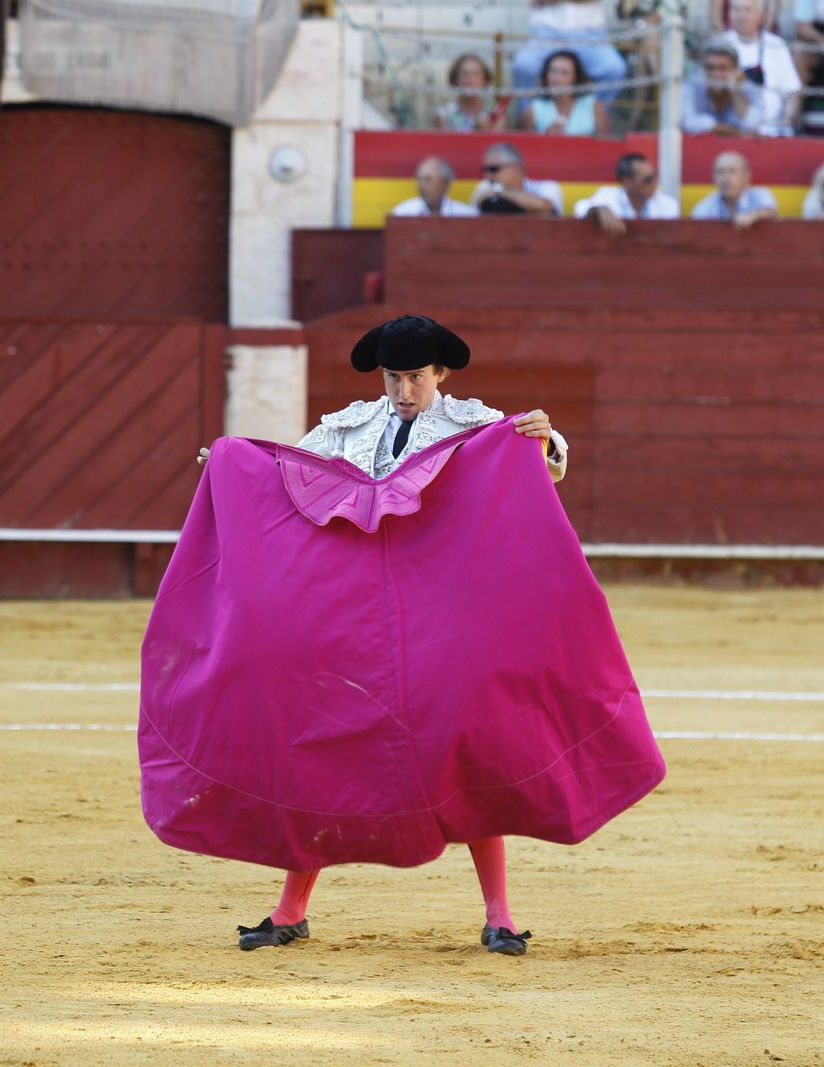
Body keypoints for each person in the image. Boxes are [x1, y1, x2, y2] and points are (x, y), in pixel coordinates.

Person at [161, 315, 666, 954]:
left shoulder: (475, 426)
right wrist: (230, 469)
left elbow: (537, 471)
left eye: (416, 377)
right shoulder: (347, 428)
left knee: (468, 751)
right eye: (395, 377)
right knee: (323, 755)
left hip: (444, 627)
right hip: (351, 625)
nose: (404, 390)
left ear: (442, 375)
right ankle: (289, 911)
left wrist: (548, 440)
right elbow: (290, 479)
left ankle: (501, 915)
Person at [511, 0, 630, 103]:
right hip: (546, 32)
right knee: (523, 66)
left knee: (614, 69)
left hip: (590, 34)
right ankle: (530, 120)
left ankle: (593, 119)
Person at [723, 0, 804, 131]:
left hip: (773, 129)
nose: (741, 15)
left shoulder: (776, 45)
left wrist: (788, 118)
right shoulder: (721, 44)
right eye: (736, 9)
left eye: (747, 10)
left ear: (761, 14)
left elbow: (792, 91)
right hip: (732, 129)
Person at [573, 152, 681, 235]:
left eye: (655, 176)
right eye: (648, 179)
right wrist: (596, 210)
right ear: (627, 182)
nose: (654, 183)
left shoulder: (667, 204)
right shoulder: (607, 196)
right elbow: (580, 209)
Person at [682, 42, 771, 136]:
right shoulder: (691, 86)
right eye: (710, 68)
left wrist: (735, 89)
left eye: (723, 68)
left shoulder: (748, 88)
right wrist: (738, 133)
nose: (716, 74)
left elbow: (751, 124)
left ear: (736, 70)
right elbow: (690, 124)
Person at [522, 49, 613, 136]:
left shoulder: (593, 106)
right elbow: (527, 147)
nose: (556, 78)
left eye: (564, 73)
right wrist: (547, 137)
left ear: (575, 78)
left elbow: (607, 143)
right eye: (553, 71)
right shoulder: (533, 110)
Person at [469, 142, 564, 216]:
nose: (488, 175)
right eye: (485, 170)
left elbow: (545, 206)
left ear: (516, 168)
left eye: (494, 169)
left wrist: (500, 191)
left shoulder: (548, 187)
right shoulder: (483, 186)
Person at [691, 150, 781, 227]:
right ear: (714, 178)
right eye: (720, 172)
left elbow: (772, 211)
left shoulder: (760, 194)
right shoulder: (705, 206)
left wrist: (753, 216)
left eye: (732, 171)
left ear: (746, 176)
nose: (725, 178)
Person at [435, 53, 508, 132]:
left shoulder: (496, 113)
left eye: (476, 74)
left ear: (485, 80)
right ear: (455, 80)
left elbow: (498, 142)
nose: (470, 79)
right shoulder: (444, 114)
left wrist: (487, 131)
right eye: (464, 74)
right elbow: (446, 142)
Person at [389, 157, 482, 219]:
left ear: (445, 184)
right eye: (419, 179)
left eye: (428, 180)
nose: (422, 185)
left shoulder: (467, 215)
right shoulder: (403, 213)